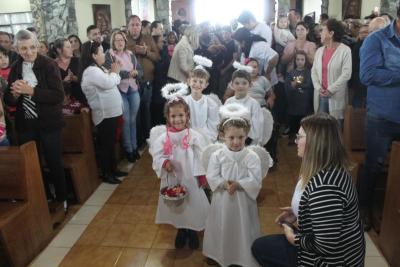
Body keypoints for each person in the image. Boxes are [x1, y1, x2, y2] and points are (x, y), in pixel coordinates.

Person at [252, 113, 365, 267]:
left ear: (316, 143)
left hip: (332, 261)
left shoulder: (325, 188)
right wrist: (298, 212)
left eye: (300, 136)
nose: (296, 141)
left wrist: (293, 237)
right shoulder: (327, 168)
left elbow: (325, 246)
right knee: (263, 245)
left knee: (261, 248)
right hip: (330, 251)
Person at [4, 29, 67, 208]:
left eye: (32, 47)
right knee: (34, 164)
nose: (29, 52)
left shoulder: (48, 64)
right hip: (26, 123)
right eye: (24, 49)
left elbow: (58, 95)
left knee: (54, 160)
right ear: (17, 49)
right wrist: (15, 95)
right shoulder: (16, 66)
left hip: (49, 122)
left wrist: (32, 91)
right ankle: (44, 196)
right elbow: (9, 99)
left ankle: (62, 197)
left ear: (37, 45)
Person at [202, 103, 268, 267]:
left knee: (242, 227)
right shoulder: (218, 155)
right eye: (231, 137)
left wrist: (239, 184)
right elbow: (211, 175)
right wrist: (223, 184)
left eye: (241, 137)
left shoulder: (251, 157)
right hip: (223, 199)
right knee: (221, 224)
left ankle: (242, 255)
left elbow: (255, 179)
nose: (236, 141)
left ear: (246, 135)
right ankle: (218, 252)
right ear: (223, 136)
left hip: (242, 201)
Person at [148, 85, 209, 250]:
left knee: (192, 203)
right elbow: (157, 154)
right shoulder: (163, 138)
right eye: (173, 116)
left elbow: (201, 156)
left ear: (187, 115)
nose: (178, 119)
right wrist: (164, 163)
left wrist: (201, 175)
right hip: (173, 177)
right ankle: (181, 229)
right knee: (179, 204)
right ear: (168, 117)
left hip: (191, 176)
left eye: (181, 115)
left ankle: (192, 230)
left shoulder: (194, 136)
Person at [359, 1, 400, 231]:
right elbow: (367, 75)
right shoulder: (377, 40)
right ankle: (363, 208)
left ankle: (393, 212)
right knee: (374, 165)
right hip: (382, 116)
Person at [80, 41, 125, 184]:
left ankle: (113, 169)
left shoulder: (99, 69)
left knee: (111, 143)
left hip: (111, 113)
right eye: (100, 52)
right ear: (93, 55)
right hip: (104, 114)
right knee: (106, 145)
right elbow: (108, 83)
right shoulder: (90, 71)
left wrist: (114, 74)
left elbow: (113, 80)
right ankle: (107, 173)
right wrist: (115, 73)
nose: (103, 54)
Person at [105, 31, 143, 163]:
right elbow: (112, 72)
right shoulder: (109, 55)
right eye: (117, 40)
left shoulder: (130, 54)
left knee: (133, 120)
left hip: (133, 89)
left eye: (122, 40)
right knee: (126, 120)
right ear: (113, 42)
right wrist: (128, 74)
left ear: (125, 42)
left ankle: (135, 147)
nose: (120, 42)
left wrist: (136, 73)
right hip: (120, 91)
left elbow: (140, 70)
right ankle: (128, 149)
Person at [126, 15, 160, 144]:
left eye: (137, 25)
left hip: (147, 81)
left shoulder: (148, 39)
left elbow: (157, 57)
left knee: (146, 109)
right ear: (128, 26)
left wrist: (146, 52)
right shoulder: (124, 40)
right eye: (132, 25)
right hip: (130, 83)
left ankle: (148, 137)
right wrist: (134, 50)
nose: (135, 27)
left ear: (141, 26)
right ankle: (138, 140)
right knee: (135, 113)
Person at [312, 19, 351, 124]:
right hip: (321, 94)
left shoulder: (345, 50)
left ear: (331, 33)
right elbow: (314, 72)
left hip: (335, 96)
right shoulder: (319, 51)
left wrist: (331, 89)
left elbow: (346, 74)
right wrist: (318, 87)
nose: (320, 33)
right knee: (320, 128)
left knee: (336, 129)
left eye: (322, 30)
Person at [225, 69, 265, 146]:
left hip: (248, 142)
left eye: (244, 83)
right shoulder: (228, 102)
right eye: (237, 83)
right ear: (232, 85)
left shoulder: (254, 104)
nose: (240, 86)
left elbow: (257, 126)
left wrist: (247, 141)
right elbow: (225, 122)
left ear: (250, 85)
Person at [183, 65, 221, 142]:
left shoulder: (211, 103)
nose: (197, 84)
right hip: (187, 136)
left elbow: (213, 123)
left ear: (206, 85)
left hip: (205, 136)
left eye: (201, 82)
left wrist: (207, 138)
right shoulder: (183, 102)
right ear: (189, 81)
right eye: (194, 81)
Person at [285, 50, 313, 145]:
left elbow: (308, 85)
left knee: (304, 122)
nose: (300, 61)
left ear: (305, 61)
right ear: (295, 61)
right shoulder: (291, 73)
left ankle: (303, 140)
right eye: (298, 59)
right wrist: (296, 85)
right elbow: (288, 86)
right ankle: (293, 138)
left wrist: (296, 84)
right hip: (293, 101)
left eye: (302, 59)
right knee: (294, 121)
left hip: (305, 102)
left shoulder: (308, 72)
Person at [51, 38, 86, 105]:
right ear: (59, 50)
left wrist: (74, 78)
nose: (71, 49)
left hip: (80, 100)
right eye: (68, 47)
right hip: (60, 102)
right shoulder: (51, 65)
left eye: (71, 47)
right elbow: (50, 85)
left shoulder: (79, 61)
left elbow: (87, 80)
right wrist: (63, 82)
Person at [152, 34, 170, 126]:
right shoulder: (153, 55)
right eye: (161, 41)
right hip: (155, 88)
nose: (164, 43)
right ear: (155, 43)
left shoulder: (163, 53)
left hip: (163, 87)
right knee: (157, 114)